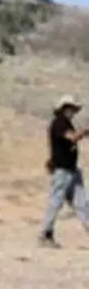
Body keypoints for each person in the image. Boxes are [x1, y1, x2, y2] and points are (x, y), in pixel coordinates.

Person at [39, 95, 89, 248]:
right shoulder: (59, 123)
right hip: (63, 171)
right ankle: (46, 234)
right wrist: (84, 132)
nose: (73, 111)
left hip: (71, 170)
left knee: (82, 203)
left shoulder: (66, 123)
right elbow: (72, 138)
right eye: (71, 108)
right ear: (64, 108)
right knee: (56, 202)